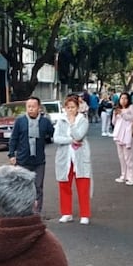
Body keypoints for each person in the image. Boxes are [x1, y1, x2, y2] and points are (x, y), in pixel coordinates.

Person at [7, 96, 54, 214]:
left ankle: (37, 212)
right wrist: (11, 155)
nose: (31, 109)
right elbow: (14, 139)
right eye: (28, 107)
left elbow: (53, 134)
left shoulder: (45, 122)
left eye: (33, 106)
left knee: (38, 187)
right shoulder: (20, 121)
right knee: (22, 187)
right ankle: (22, 211)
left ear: (39, 108)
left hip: (39, 161)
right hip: (23, 160)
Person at [53, 96, 92, 224]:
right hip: (65, 158)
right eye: (68, 107)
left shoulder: (83, 120)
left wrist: (72, 123)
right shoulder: (60, 121)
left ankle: (85, 214)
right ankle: (66, 213)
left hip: (80, 157)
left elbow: (79, 136)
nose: (70, 110)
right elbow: (56, 138)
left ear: (77, 108)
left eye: (73, 107)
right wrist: (70, 140)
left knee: (83, 185)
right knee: (64, 185)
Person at [112, 92, 133, 185]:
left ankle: (131, 177)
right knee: (121, 157)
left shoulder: (131, 107)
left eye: (125, 98)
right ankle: (123, 175)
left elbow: (132, 118)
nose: (123, 100)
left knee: (129, 157)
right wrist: (115, 114)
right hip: (118, 135)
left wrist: (122, 113)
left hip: (128, 135)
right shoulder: (118, 109)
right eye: (121, 98)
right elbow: (114, 122)